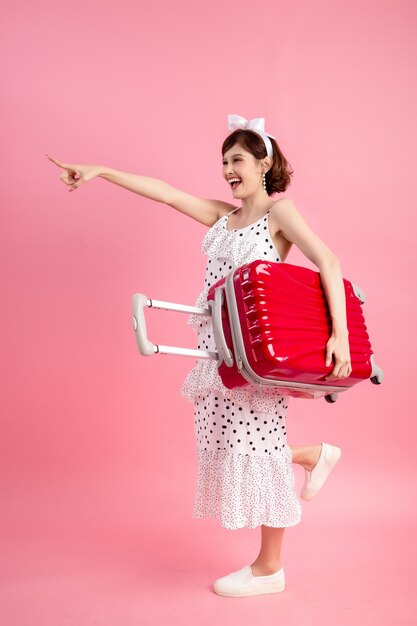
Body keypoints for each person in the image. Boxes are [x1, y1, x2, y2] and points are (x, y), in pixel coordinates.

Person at [46, 113, 351, 598]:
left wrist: (341, 337)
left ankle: (270, 567)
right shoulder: (222, 216)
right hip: (218, 349)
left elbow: (328, 261)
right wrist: (101, 170)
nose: (228, 170)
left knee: (262, 453)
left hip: (257, 352)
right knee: (239, 448)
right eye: (224, 162)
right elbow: (165, 192)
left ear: (263, 162)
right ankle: (313, 456)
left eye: (238, 160)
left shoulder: (280, 213)